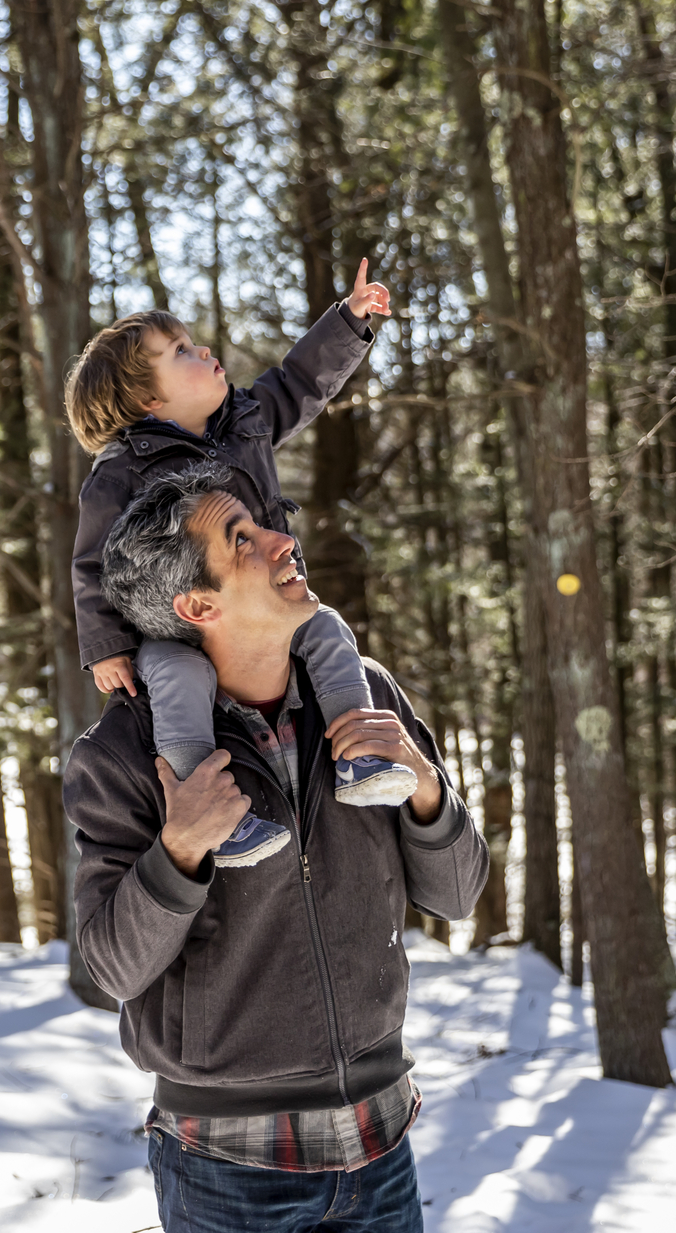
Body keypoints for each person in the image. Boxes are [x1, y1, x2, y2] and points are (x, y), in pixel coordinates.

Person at [66, 460, 489, 1233]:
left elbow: (456, 896)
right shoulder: (123, 754)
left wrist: (426, 785)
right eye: (242, 540)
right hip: (226, 1163)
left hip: (380, 1139)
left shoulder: (365, 695)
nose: (283, 541)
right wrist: (181, 849)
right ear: (197, 605)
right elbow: (112, 968)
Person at [66, 261, 415, 876]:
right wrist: (107, 647)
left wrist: (348, 320)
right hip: (173, 628)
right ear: (149, 400)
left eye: (191, 341)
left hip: (266, 605)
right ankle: (216, 815)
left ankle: (359, 755)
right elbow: (91, 563)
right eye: (180, 351)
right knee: (179, 677)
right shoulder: (120, 472)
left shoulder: (244, 423)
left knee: (328, 630)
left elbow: (300, 380)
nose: (203, 350)